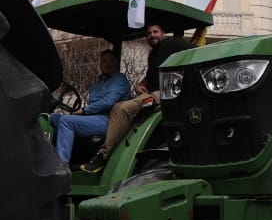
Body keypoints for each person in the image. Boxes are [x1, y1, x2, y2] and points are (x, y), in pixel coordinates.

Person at [80, 23, 194, 173]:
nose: (152, 35)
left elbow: (195, 51)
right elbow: (149, 77)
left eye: (155, 32)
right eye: (148, 33)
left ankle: (103, 155)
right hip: (151, 92)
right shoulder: (153, 54)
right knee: (120, 107)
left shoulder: (173, 43)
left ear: (163, 33)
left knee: (122, 108)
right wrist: (138, 85)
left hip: (166, 91)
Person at [50, 48, 130, 165]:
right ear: (100, 64)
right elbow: (92, 105)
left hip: (109, 120)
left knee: (67, 121)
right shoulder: (96, 84)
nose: (107, 63)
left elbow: (108, 102)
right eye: (104, 61)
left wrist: (84, 111)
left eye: (111, 61)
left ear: (116, 64)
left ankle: (61, 167)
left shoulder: (119, 79)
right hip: (93, 118)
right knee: (53, 117)